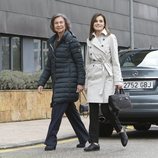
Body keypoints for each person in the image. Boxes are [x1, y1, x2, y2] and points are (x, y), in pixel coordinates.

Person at [38, 13, 89, 151]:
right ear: (53, 26)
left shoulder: (71, 41)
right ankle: (84, 138)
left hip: (68, 83)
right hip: (58, 83)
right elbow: (49, 66)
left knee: (56, 114)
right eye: (56, 23)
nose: (59, 25)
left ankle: (50, 142)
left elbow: (80, 63)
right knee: (72, 113)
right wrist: (41, 82)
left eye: (61, 22)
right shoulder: (52, 42)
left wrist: (80, 82)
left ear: (66, 24)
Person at [84, 13, 128, 152]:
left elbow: (115, 60)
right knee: (93, 111)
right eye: (96, 21)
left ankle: (120, 129)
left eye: (101, 21)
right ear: (92, 24)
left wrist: (118, 80)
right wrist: (86, 82)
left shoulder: (111, 37)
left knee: (105, 109)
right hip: (93, 77)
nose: (98, 23)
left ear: (104, 23)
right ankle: (94, 142)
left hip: (106, 76)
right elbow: (87, 62)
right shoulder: (89, 39)